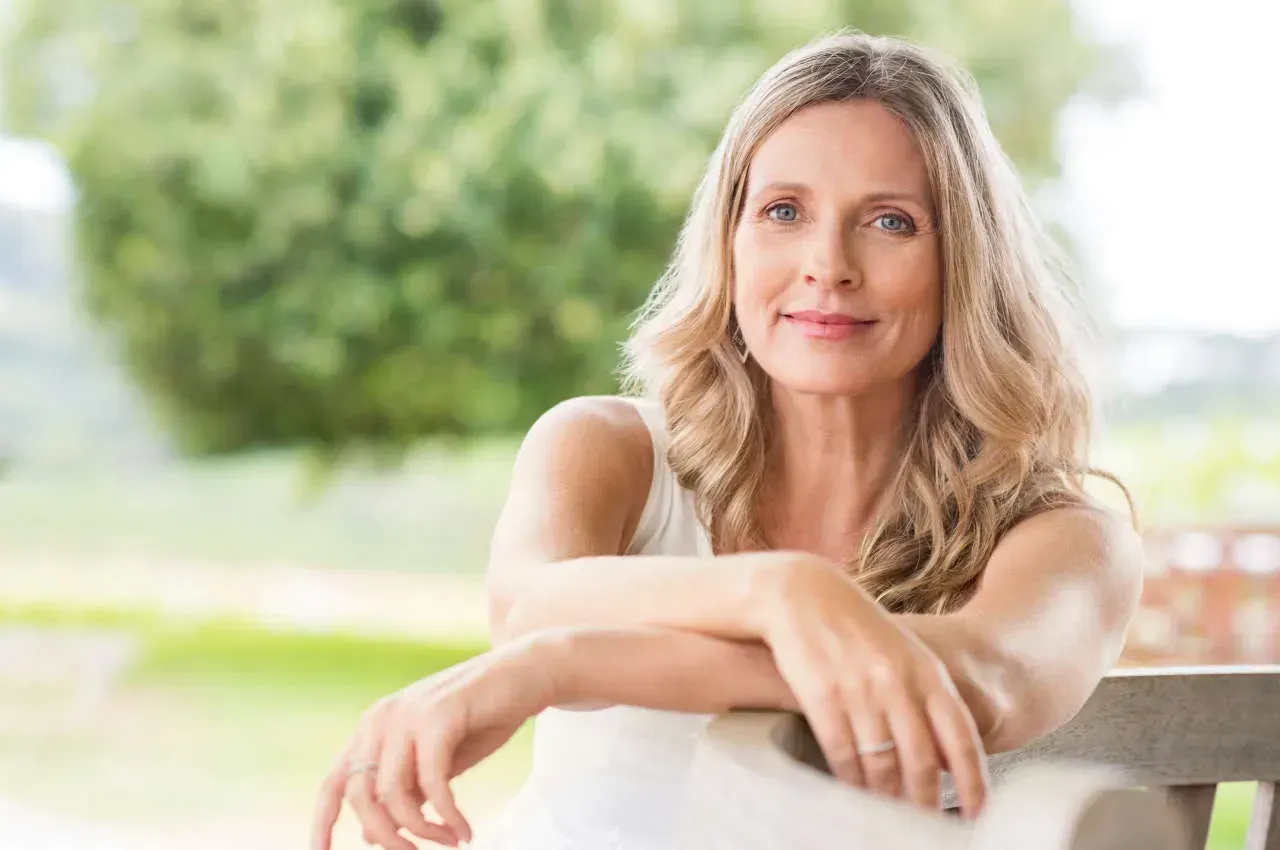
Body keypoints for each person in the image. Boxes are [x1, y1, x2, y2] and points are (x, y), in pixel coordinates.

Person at [311, 29, 1144, 850]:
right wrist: (779, 594)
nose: (828, 264)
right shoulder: (607, 449)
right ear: (729, 241)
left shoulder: (1069, 536)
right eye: (783, 211)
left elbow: (980, 681)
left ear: (965, 260)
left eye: (890, 222)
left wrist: (560, 666)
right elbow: (528, 604)